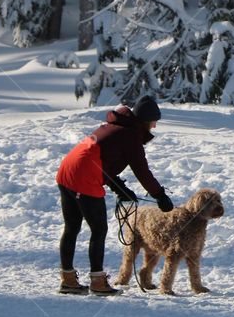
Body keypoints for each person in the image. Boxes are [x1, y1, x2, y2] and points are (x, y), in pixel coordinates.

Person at [55, 96, 174, 296]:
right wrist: (160, 196)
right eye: (154, 122)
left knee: (72, 227)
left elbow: (103, 156)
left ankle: (67, 279)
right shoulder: (131, 136)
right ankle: (98, 281)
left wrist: (117, 184)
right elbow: (142, 171)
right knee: (99, 229)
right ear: (145, 120)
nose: (154, 126)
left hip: (67, 170)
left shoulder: (116, 126)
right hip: (84, 177)